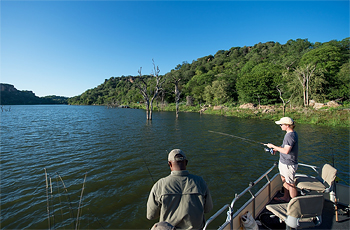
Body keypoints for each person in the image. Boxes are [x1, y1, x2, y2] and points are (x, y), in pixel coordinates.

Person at [147, 149, 213, 229]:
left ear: (169, 164)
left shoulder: (159, 185)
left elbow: (151, 216)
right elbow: (208, 209)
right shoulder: (200, 182)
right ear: (186, 162)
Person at [265, 117, 298, 202]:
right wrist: (276, 149)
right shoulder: (290, 134)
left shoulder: (290, 136)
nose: (280, 126)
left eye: (281, 124)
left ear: (287, 125)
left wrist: (272, 146)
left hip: (288, 164)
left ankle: (295, 204)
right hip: (284, 162)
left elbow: (286, 151)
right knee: (284, 180)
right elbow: (284, 147)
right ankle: (286, 197)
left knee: (290, 183)